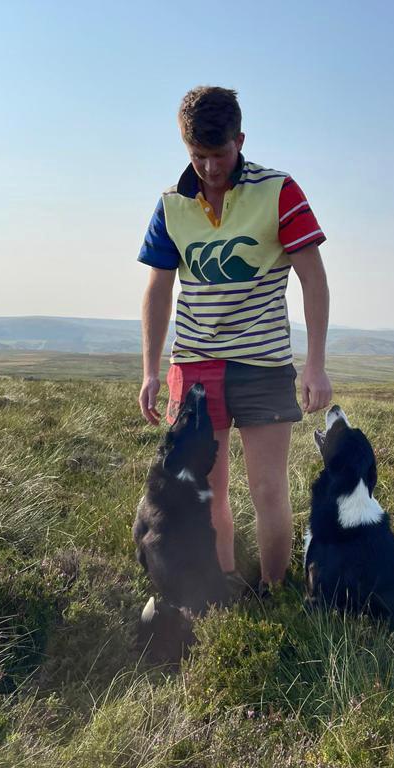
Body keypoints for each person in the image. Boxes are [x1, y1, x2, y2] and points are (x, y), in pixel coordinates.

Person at [137, 85, 331, 591]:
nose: (210, 168)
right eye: (197, 156)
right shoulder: (169, 205)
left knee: (269, 490)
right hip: (195, 365)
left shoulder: (279, 190)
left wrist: (315, 364)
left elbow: (314, 276)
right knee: (208, 493)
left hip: (263, 364)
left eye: (219, 154)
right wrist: (150, 371)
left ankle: (273, 591)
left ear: (240, 140)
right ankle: (223, 587)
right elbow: (158, 289)